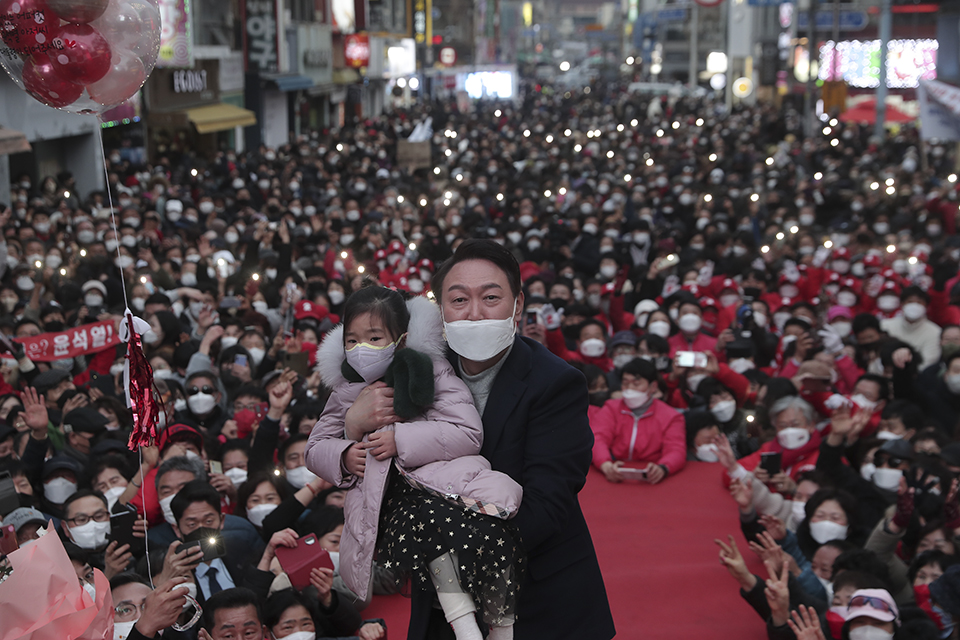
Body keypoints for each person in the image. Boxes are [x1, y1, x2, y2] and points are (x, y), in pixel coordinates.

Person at [408, 239, 615, 639]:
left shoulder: (556, 382)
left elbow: (548, 501)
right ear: (441, 310)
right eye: (458, 300)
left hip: (536, 594)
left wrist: (457, 546)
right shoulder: (421, 374)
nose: (474, 313)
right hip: (441, 598)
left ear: (517, 305)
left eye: (490, 297)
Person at [307, 284, 523, 640]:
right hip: (389, 503)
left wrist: (400, 439)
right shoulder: (345, 390)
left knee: (492, 535)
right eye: (352, 340)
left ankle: (502, 629)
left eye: (375, 338)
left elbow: (467, 433)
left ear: (402, 340)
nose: (362, 349)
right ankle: (466, 627)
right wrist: (347, 445)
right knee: (430, 532)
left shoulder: (432, 371)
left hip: (444, 485)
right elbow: (315, 449)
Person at [590, 358, 686, 484]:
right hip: (614, 467)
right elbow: (597, 438)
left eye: (636, 384)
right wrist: (605, 464)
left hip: (650, 471)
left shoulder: (671, 416)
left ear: (653, 387)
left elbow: (676, 449)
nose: (629, 388)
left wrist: (663, 468)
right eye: (625, 383)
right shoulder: (610, 408)